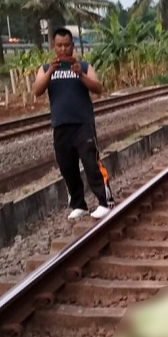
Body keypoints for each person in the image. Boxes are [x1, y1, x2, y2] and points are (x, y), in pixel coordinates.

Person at [32, 27, 114, 220]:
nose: (63, 49)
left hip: (83, 125)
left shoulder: (83, 66)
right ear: (53, 46)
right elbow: (36, 90)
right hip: (61, 126)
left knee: (90, 163)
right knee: (67, 167)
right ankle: (78, 204)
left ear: (72, 45)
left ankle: (105, 202)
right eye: (59, 45)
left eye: (67, 45)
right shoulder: (45, 69)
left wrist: (81, 75)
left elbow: (98, 88)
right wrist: (51, 70)